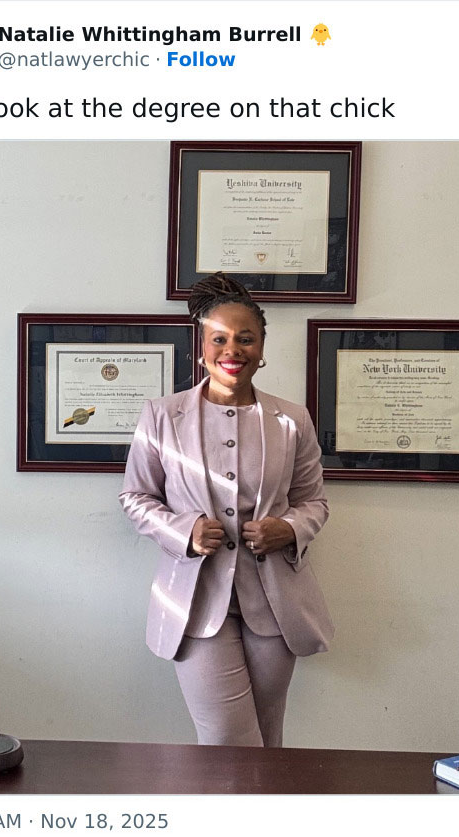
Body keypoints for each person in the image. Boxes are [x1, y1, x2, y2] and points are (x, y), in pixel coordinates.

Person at [120, 273, 334, 747]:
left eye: (245, 339)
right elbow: (135, 497)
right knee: (227, 744)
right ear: (202, 347)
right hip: (196, 603)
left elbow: (313, 501)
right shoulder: (161, 415)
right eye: (219, 339)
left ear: (261, 349)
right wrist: (185, 532)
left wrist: (290, 528)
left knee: (267, 738)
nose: (231, 350)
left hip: (276, 606)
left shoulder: (291, 419)